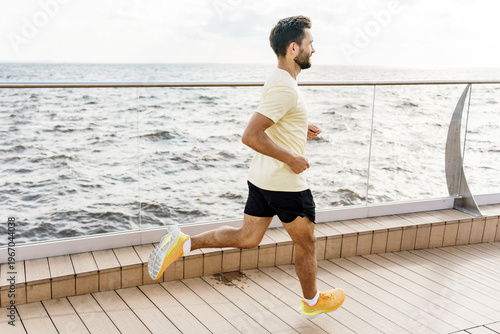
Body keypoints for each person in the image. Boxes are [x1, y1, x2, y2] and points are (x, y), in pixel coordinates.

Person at [148, 15, 345, 319]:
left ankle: (185, 243)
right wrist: (291, 158)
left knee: (247, 238)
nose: (314, 50)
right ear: (294, 48)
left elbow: (274, 117)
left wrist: (299, 125)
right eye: (310, 44)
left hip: (261, 179)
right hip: (284, 183)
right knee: (307, 244)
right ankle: (312, 301)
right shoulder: (286, 88)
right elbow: (251, 135)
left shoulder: (279, 79)